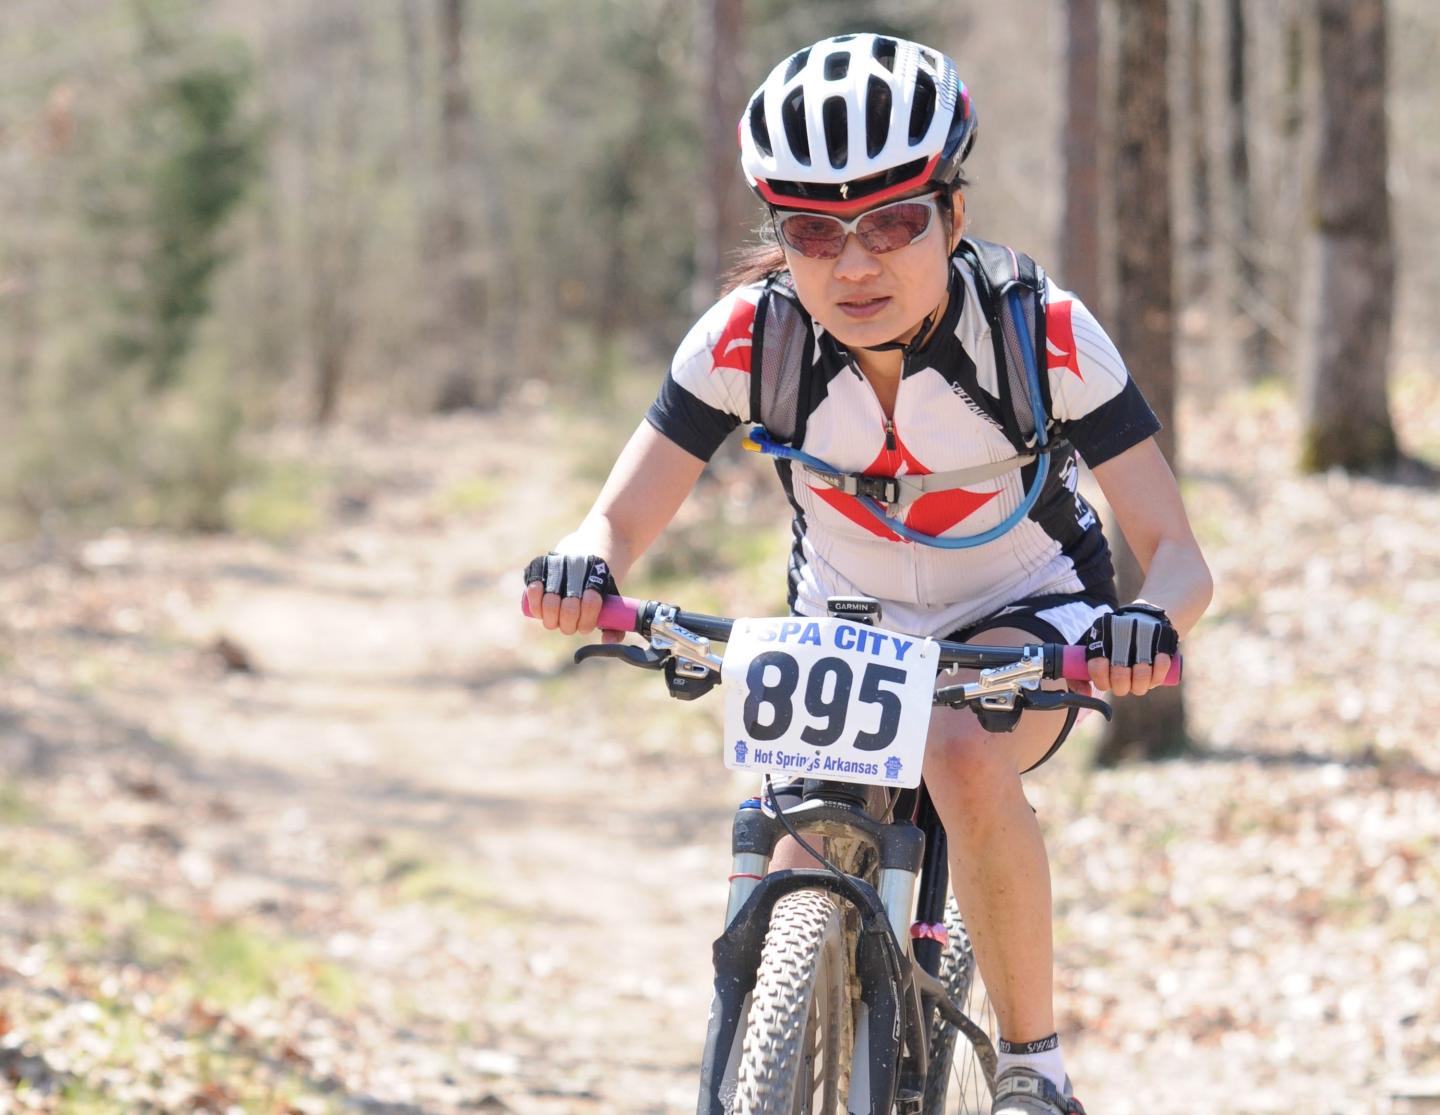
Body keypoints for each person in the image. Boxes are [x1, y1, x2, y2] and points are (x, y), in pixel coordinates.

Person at [524, 32, 1212, 1115]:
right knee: (797, 834)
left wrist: (1145, 627)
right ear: (780, 238)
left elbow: (1179, 557)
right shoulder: (749, 341)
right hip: (849, 629)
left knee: (955, 749)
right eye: (812, 232)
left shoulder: (1048, 338)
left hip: (1027, 612)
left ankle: (1033, 1063)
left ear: (954, 216)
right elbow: (618, 517)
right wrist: (583, 561)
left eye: (892, 223)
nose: (854, 266)